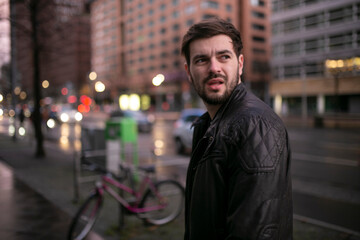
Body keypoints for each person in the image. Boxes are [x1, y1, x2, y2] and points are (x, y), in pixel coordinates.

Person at [181, 17, 293, 240]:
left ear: (240, 64)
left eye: (224, 57)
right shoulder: (209, 125)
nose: (214, 68)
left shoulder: (253, 124)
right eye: (202, 60)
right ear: (189, 71)